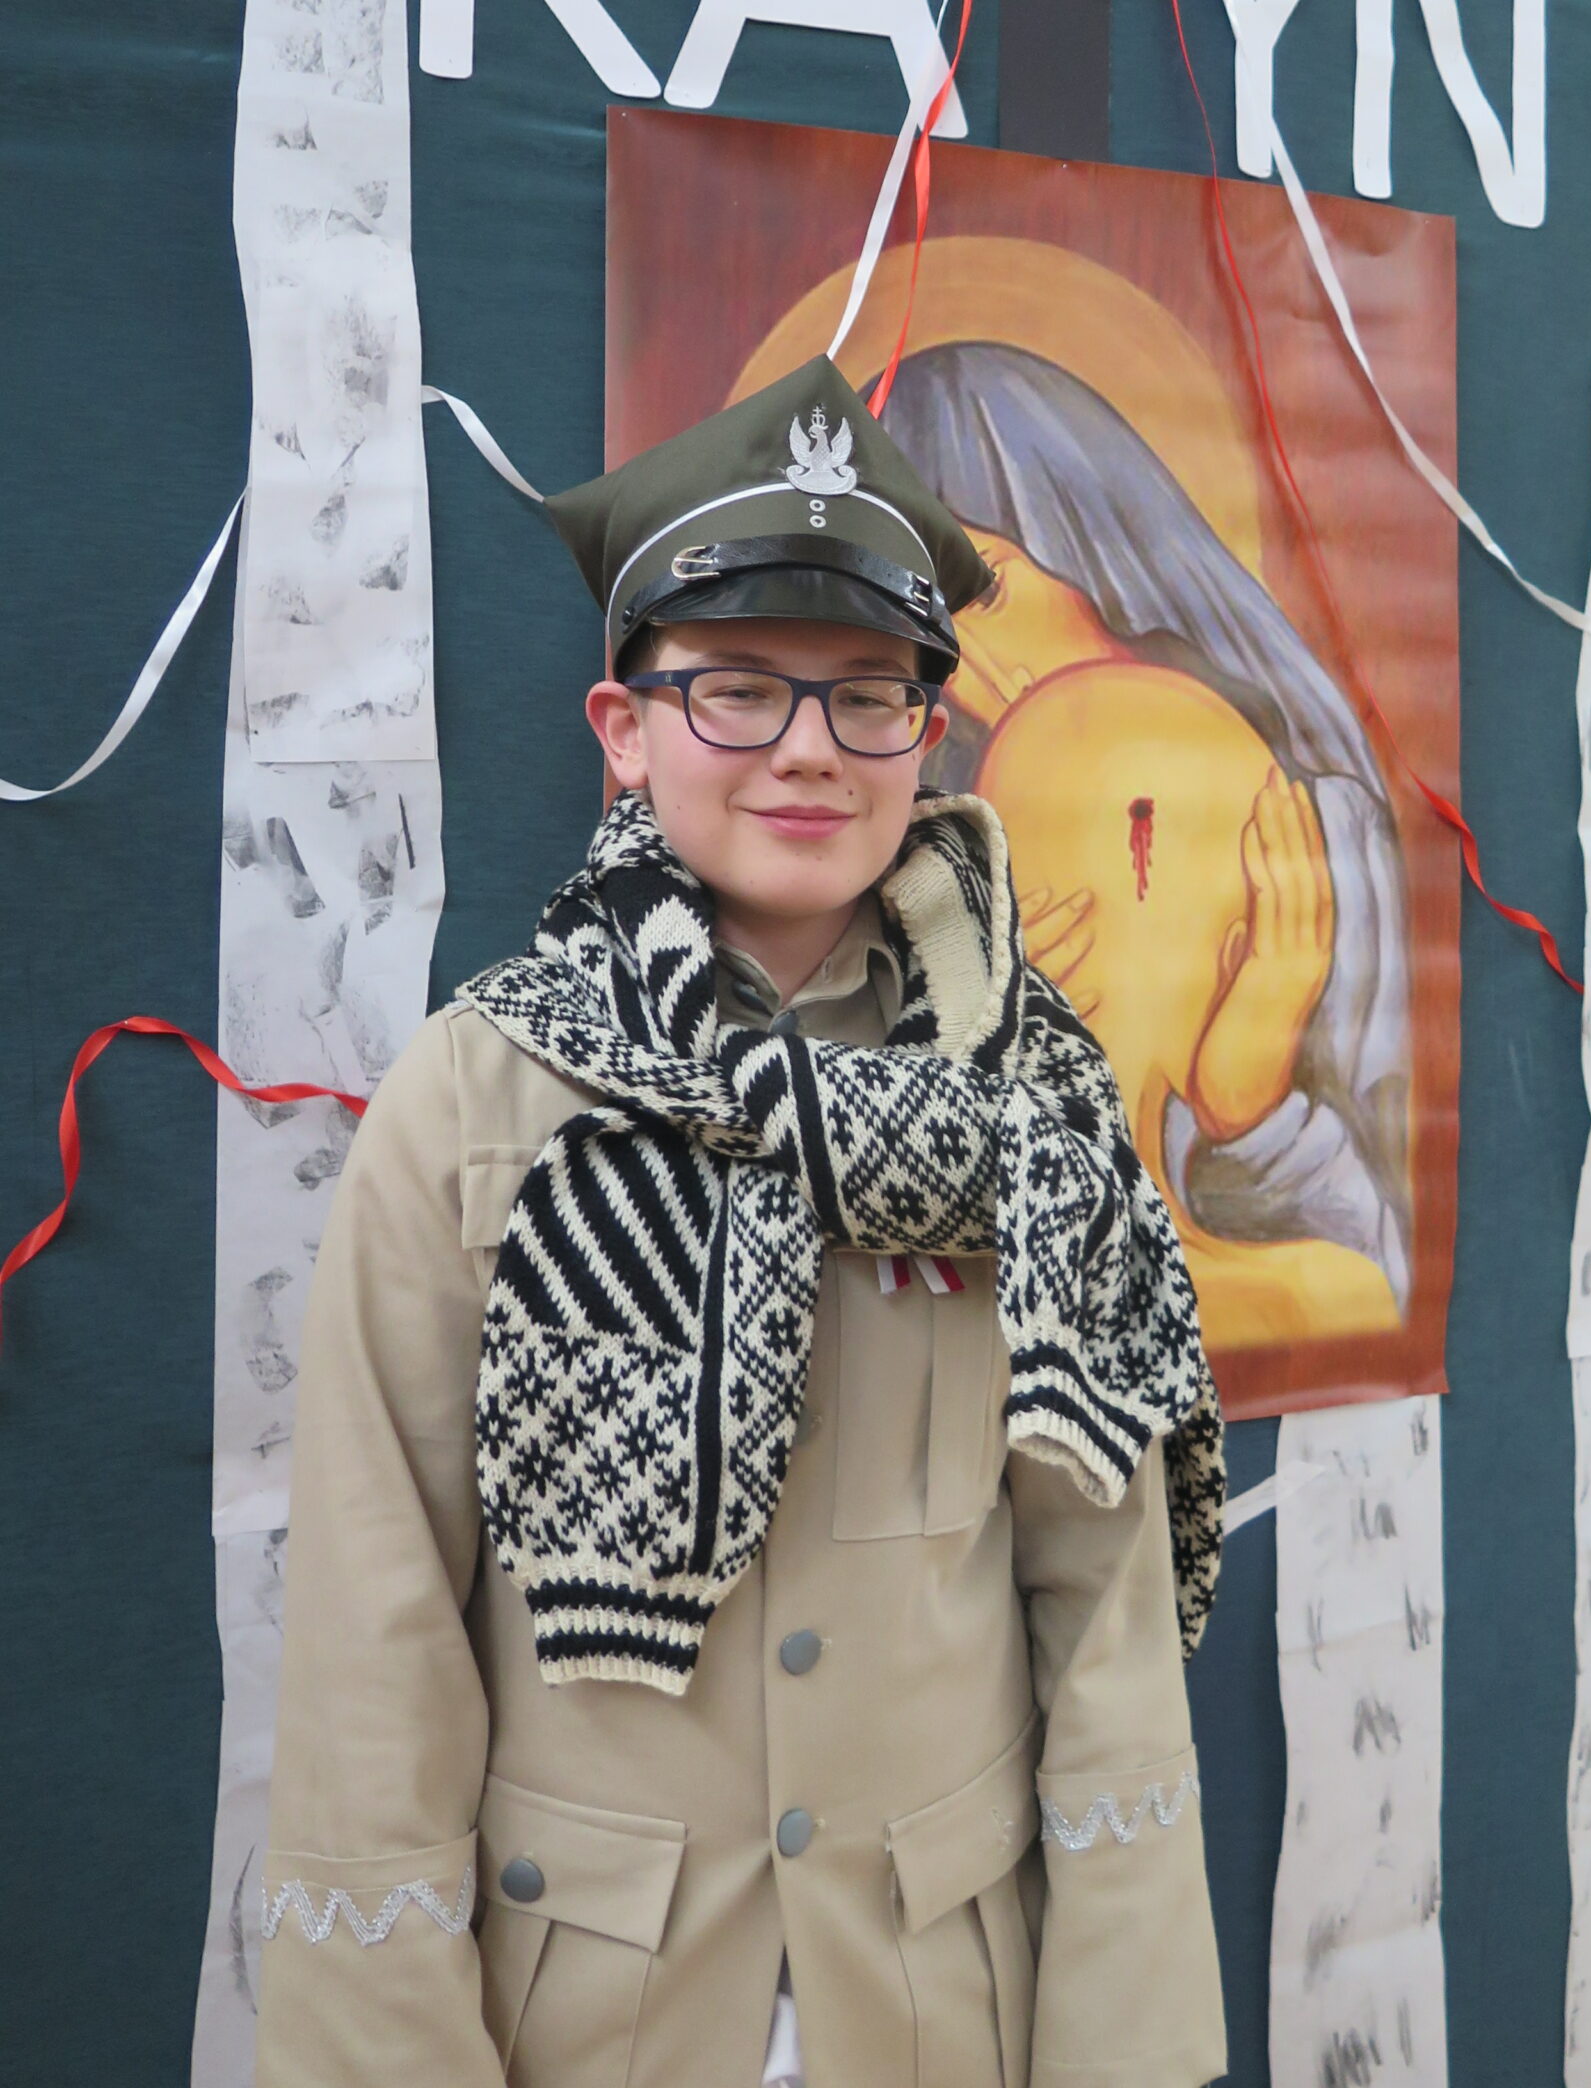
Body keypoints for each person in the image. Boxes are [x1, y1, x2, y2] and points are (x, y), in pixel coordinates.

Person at [254, 355, 1229, 2088]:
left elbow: (1104, 1617)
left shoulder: (1038, 1104)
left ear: (930, 734)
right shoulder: (477, 1101)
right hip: (594, 2022)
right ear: (624, 730)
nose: (807, 750)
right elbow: (374, 1644)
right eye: (737, 691)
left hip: (941, 2019)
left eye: (868, 698)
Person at [879, 342, 1415, 1342]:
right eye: (920, 632)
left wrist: (1253, 1112)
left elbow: (1391, 1265)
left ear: (1089, 548)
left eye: (984, 594)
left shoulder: (1319, 842)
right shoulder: (929, 869)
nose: (967, 665)